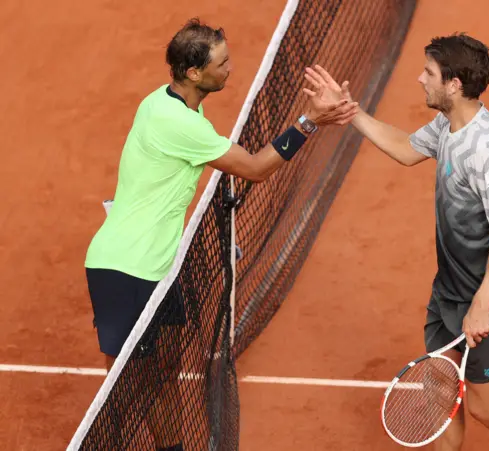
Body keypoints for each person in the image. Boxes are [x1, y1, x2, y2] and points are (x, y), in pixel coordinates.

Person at [83, 18, 357, 451]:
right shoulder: (179, 123)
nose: (230, 68)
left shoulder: (175, 104)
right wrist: (310, 121)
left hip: (159, 266)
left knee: (165, 375)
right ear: (193, 73)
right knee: (125, 392)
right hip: (125, 267)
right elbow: (255, 168)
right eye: (221, 62)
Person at [304, 33, 489, 451]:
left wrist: (482, 303)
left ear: (454, 84)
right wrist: (350, 112)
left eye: (429, 73)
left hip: (488, 296)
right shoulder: (449, 124)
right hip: (450, 289)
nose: (420, 79)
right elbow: (405, 148)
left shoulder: (487, 150)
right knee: (439, 389)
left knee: (487, 408)